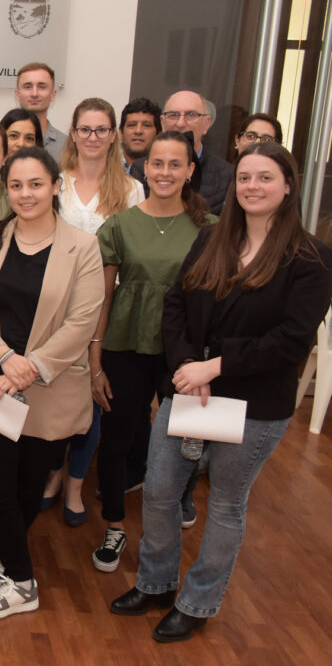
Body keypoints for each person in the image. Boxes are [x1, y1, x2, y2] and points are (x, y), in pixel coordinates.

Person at [111, 142, 332, 643]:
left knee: (227, 505)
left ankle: (197, 602)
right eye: (245, 177)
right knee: (161, 491)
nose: (253, 186)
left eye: (265, 177)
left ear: (289, 186)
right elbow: (176, 304)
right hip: (190, 388)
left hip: (253, 404)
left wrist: (216, 364)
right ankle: (156, 584)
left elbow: (291, 340)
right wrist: (189, 364)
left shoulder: (313, 258)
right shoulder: (212, 239)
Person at [0, 146, 103, 620]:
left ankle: (5, 555)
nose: (25, 194)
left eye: (36, 184)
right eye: (17, 185)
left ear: (56, 186)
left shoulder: (82, 247)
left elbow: (83, 322)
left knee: (27, 486)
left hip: (51, 390)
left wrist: (31, 366)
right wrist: (3, 357)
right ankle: (23, 581)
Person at [88, 131, 214, 574]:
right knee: (118, 437)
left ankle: (179, 500)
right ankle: (115, 525)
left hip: (186, 353)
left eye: (174, 164)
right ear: (144, 168)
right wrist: (95, 360)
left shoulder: (211, 228)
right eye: (156, 164)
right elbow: (102, 298)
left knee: (185, 436)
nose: (164, 172)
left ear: (190, 171)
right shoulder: (120, 226)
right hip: (126, 344)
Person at [42, 98, 145, 526]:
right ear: (74, 133)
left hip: (108, 308)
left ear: (113, 135)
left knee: (94, 396)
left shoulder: (131, 189)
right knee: (52, 394)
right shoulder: (55, 183)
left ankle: (75, 484)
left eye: (102, 130)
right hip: (55, 306)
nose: (93, 138)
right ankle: (51, 475)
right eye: (85, 129)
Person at [160, 90, 230, 214]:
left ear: (206, 123)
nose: (180, 123)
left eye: (191, 115)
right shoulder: (140, 170)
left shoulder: (226, 176)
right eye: (173, 115)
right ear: (163, 122)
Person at [14, 63, 66, 159]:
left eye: (42, 87)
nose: (34, 93)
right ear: (17, 94)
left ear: (53, 94)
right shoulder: (0, 139)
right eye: (28, 87)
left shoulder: (66, 146)